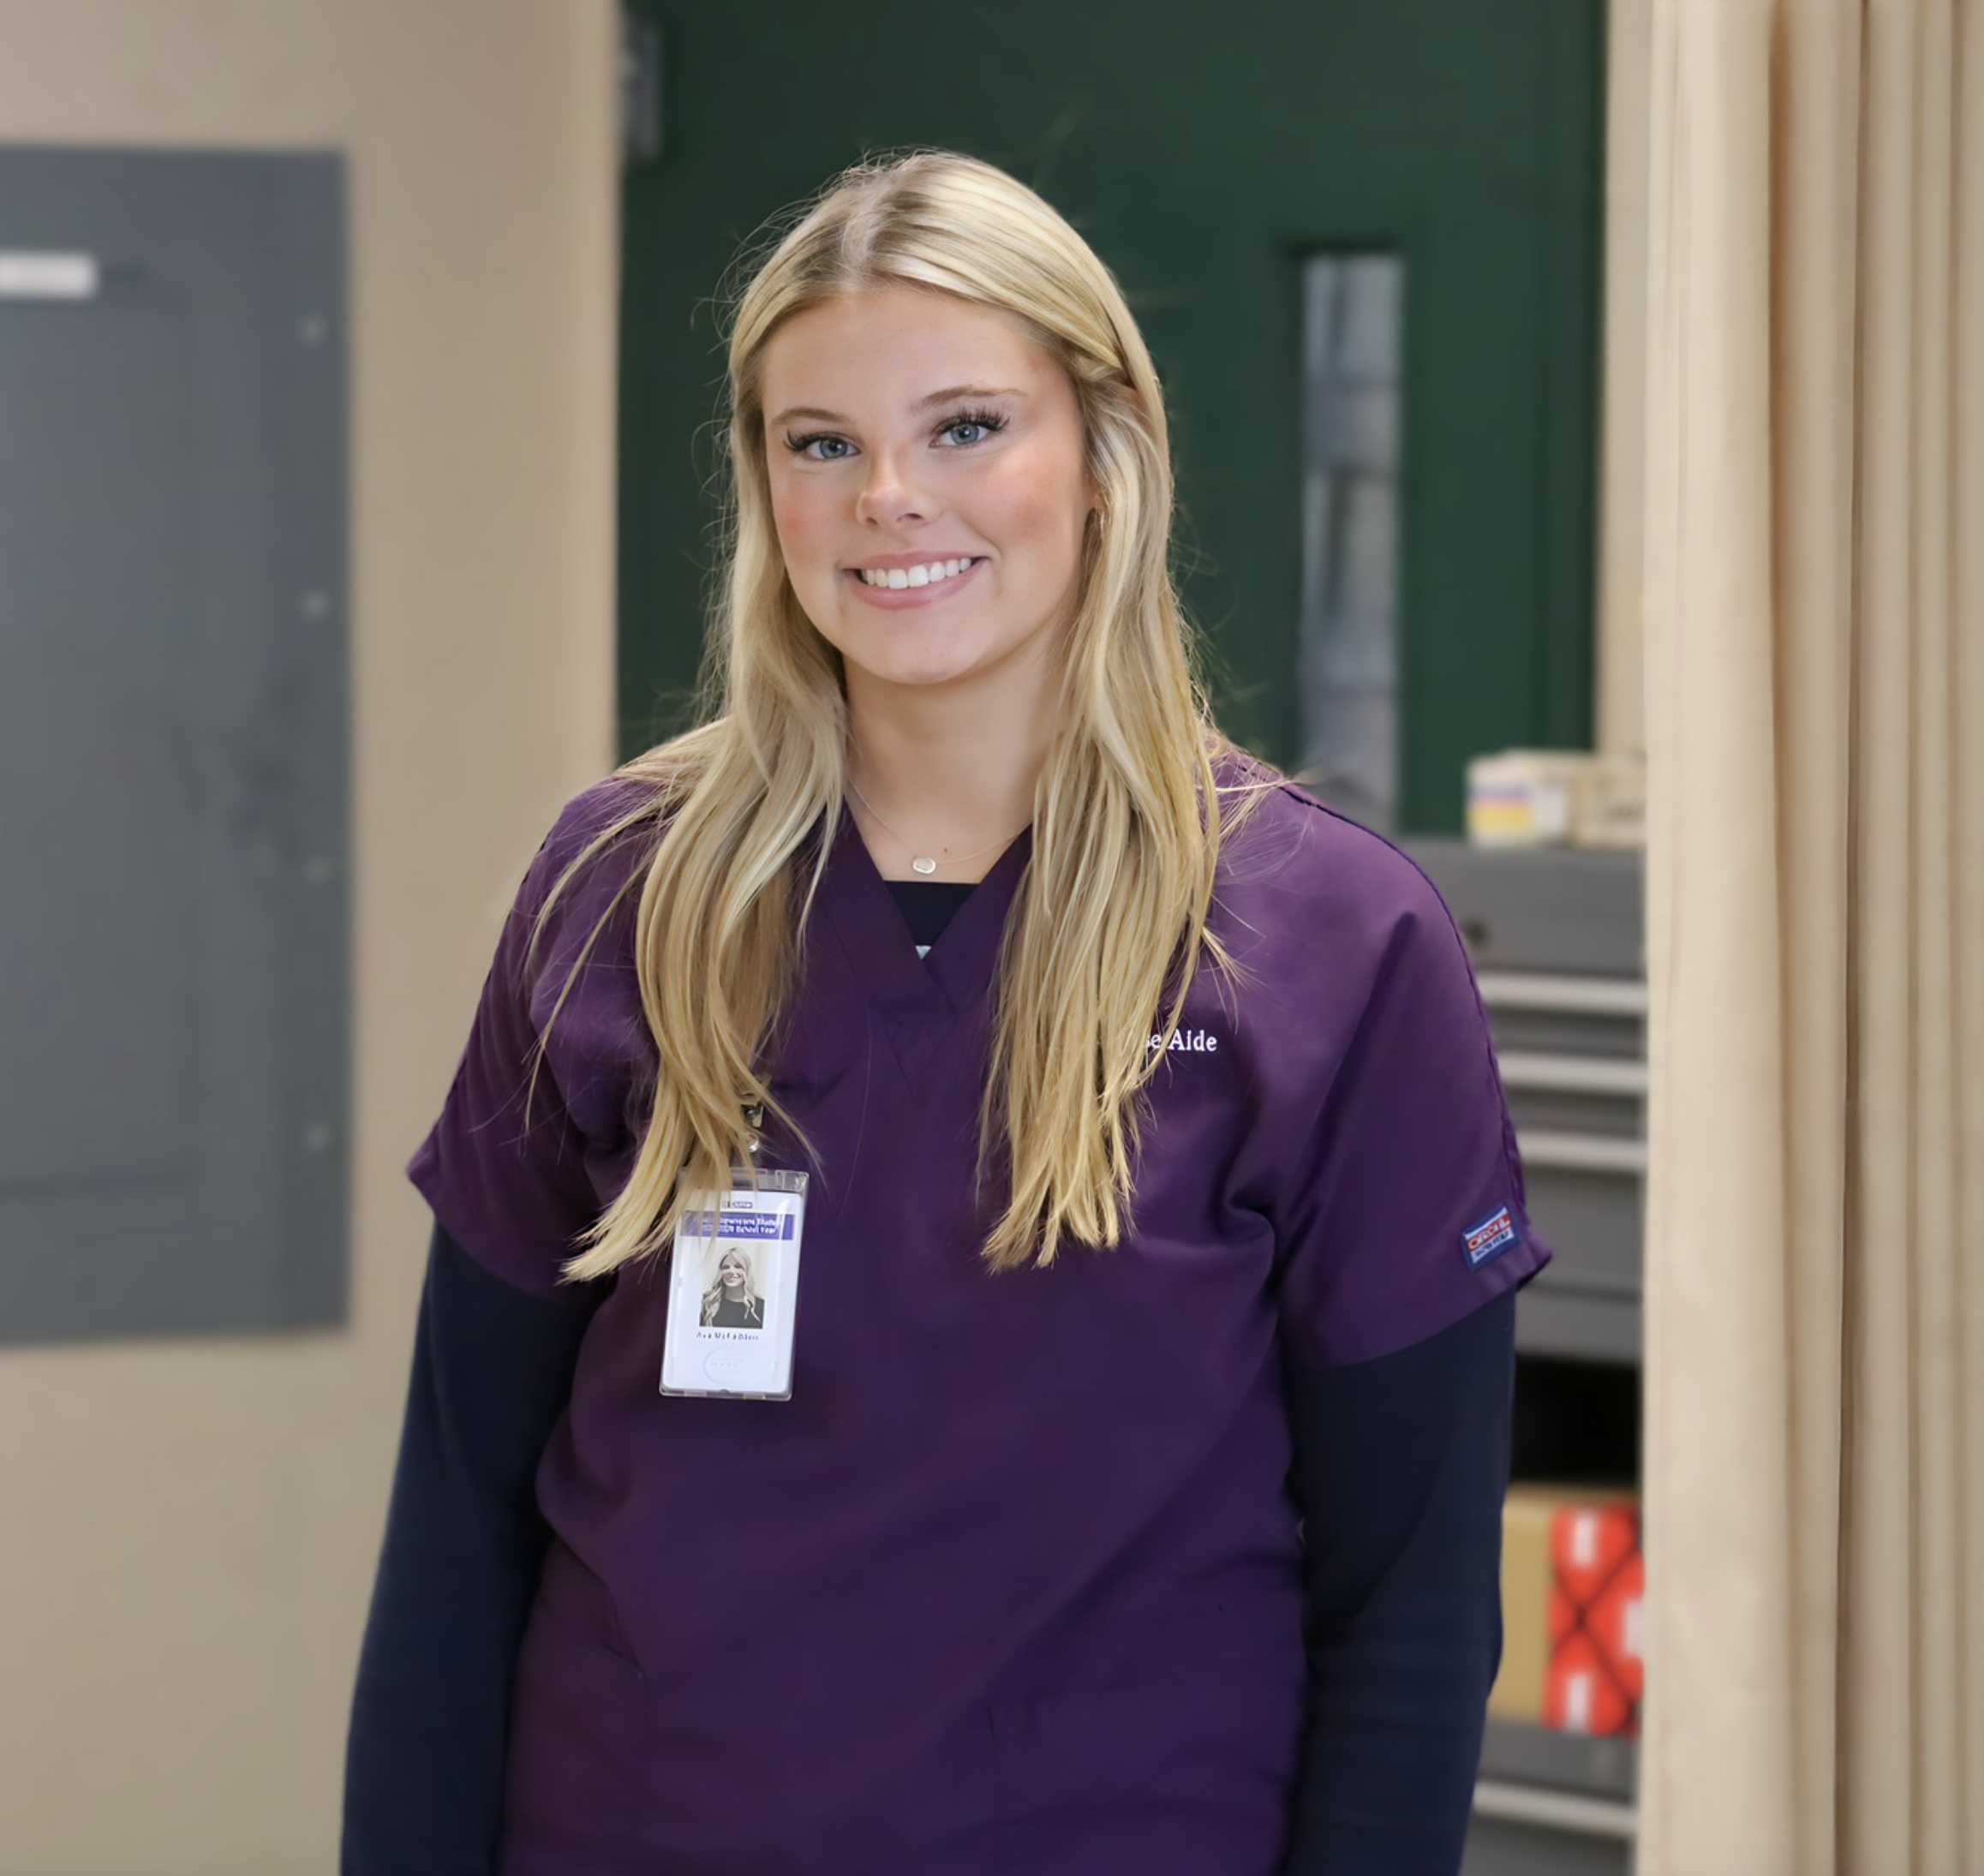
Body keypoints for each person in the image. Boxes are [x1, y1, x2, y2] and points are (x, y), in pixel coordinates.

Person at [344, 149, 1545, 1876]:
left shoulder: (1330, 945)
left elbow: (1411, 1616)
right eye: (820, 443)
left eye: (968, 427)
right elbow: (460, 1521)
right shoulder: (622, 893)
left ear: (1105, 453)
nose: (889, 496)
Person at [701, 1246, 764, 1329]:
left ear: (746, 1270)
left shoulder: (760, 1306)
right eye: (726, 1267)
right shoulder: (707, 1302)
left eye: (738, 1266)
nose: (731, 1271)